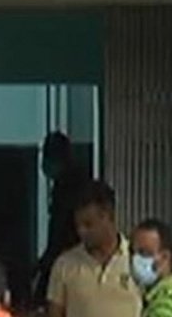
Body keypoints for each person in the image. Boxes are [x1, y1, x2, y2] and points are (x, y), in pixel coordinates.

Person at [46, 180, 140, 317]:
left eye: (88, 224)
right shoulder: (64, 265)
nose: (81, 231)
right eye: (78, 225)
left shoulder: (137, 260)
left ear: (108, 216)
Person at [32, 131, 91, 304]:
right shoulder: (66, 184)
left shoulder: (70, 188)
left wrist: (47, 261)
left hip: (71, 259)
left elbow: (61, 230)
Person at [129, 219, 172, 317]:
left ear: (165, 257)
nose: (135, 259)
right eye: (132, 252)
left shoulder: (164, 307)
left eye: (144, 253)